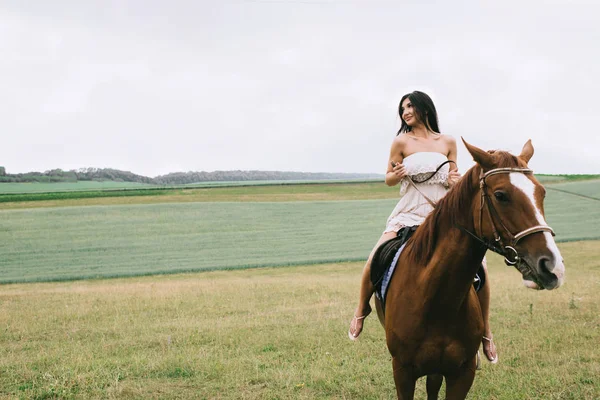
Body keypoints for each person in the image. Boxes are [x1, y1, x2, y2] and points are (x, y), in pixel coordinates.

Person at [348, 91, 498, 364]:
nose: (405, 112)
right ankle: (361, 309)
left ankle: (485, 330)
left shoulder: (448, 142)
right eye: (402, 108)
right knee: (375, 256)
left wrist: (456, 182)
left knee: (482, 267)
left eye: (410, 106)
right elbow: (388, 179)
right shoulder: (401, 141)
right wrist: (397, 174)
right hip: (408, 212)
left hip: (443, 213)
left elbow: (454, 178)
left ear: (424, 108)